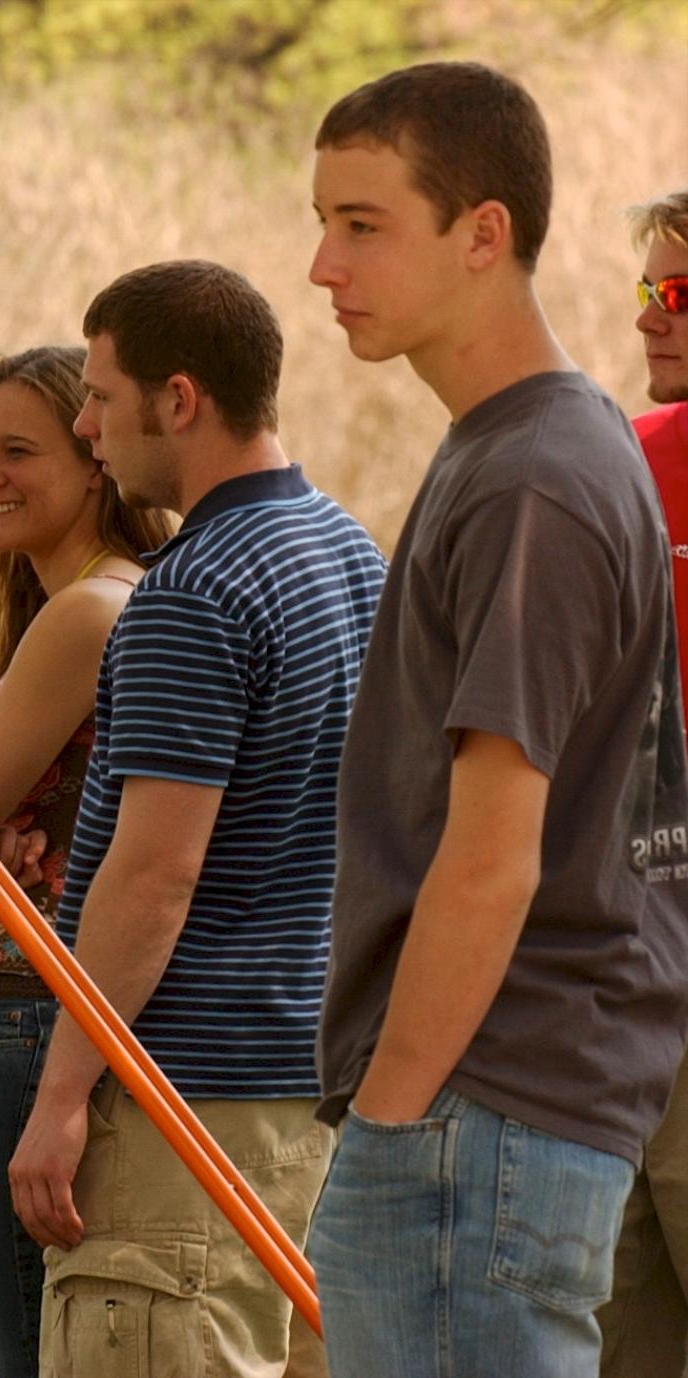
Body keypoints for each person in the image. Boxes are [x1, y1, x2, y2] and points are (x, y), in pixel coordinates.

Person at [307, 65, 688, 1378]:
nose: (320, 263)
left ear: (484, 232)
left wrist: (394, 1117)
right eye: (323, 222)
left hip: (479, 1116)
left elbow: (492, 851)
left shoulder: (537, 472)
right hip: (497, 1110)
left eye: (363, 224)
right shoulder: (529, 444)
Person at [4, 261, 384, 1378]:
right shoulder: (349, 550)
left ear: (180, 399)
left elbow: (154, 874)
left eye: (101, 398)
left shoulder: (193, 591)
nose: (86, 425)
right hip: (319, 1091)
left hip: (185, 1106)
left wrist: (64, 1091)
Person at [0, 345, 171, 1378]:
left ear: (95, 456)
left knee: (32, 1350)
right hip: (33, 1011)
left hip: (19, 1017)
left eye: (18, 449)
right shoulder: (112, 598)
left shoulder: (86, 612)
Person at [596, 186, 688, 1378]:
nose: (650, 320)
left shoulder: (629, 452)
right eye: (647, 292)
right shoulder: (625, 453)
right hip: (623, 974)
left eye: (682, 294)